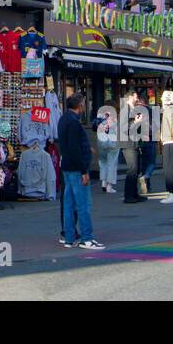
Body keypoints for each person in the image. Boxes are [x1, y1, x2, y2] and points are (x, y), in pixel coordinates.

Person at [56, 94, 102, 249]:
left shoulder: (63, 119)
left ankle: (69, 237)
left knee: (68, 204)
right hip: (76, 168)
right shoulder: (74, 123)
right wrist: (84, 170)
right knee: (83, 205)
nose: (84, 107)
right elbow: (75, 148)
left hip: (66, 166)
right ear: (79, 105)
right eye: (83, 104)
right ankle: (87, 238)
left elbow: (67, 144)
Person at [159, 90, 173, 204]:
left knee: (169, 168)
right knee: (172, 167)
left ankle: (172, 193)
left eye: (163, 98)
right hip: (171, 140)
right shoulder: (171, 109)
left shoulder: (169, 110)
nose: (161, 99)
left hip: (170, 141)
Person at [94, 107, 120, 194]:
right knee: (112, 163)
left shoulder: (101, 117)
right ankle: (109, 186)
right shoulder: (114, 118)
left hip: (101, 141)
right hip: (112, 141)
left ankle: (103, 182)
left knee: (103, 162)